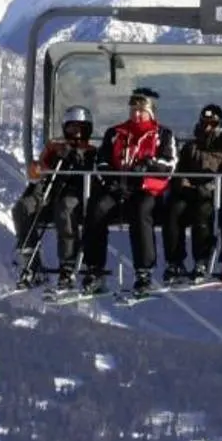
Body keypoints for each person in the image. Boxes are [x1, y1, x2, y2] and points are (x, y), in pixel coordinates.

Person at [82, 87, 175, 295]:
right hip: (118, 187)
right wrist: (111, 181)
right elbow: (102, 161)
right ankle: (94, 268)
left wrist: (148, 165)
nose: (137, 114)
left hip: (147, 189)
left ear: (151, 112)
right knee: (97, 209)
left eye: (142, 110)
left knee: (141, 211)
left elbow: (169, 165)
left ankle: (144, 272)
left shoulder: (162, 134)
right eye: (133, 110)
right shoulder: (116, 133)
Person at [15, 107, 98, 289]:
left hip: (73, 195)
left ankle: (67, 265)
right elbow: (39, 170)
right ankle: (31, 263)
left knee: (64, 209)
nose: (76, 134)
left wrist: (77, 159)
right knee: (22, 208)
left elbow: (92, 177)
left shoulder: (92, 152)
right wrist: (48, 164)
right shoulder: (54, 148)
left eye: (81, 129)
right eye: (72, 128)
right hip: (49, 193)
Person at [163, 104, 222, 281]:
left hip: (213, 195)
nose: (207, 128)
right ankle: (175, 261)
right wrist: (183, 183)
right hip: (189, 193)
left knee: (203, 213)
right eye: (204, 123)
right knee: (174, 210)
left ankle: (201, 260)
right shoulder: (191, 147)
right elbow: (179, 170)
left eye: (212, 124)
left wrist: (209, 187)